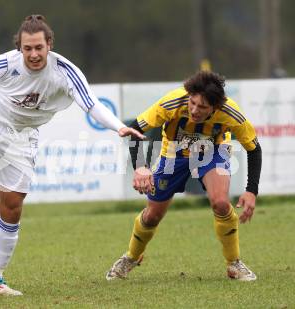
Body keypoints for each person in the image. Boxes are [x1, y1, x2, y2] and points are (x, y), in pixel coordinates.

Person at [0, 14, 145, 296]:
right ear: (20, 47)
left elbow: (91, 105)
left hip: (22, 137)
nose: (33, 54)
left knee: (12, 207)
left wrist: (118, 127)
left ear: (49, 45)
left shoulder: (65, 73)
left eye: (39, 48)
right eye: (27, 48)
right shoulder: (6, 64)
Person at [106, 71, 262, 282]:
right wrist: (141, 166)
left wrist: (251, 190)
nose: (195, 110)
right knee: (152, 215)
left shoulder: (231, 113)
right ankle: (131, 257)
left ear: (215, 107)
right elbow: (135, 128)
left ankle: (234, 263)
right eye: (193, 103)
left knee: (221, 204)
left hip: (212, 150)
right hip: (173, 152)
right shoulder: (172, 102)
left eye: (202, 107)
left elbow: (254, 148)